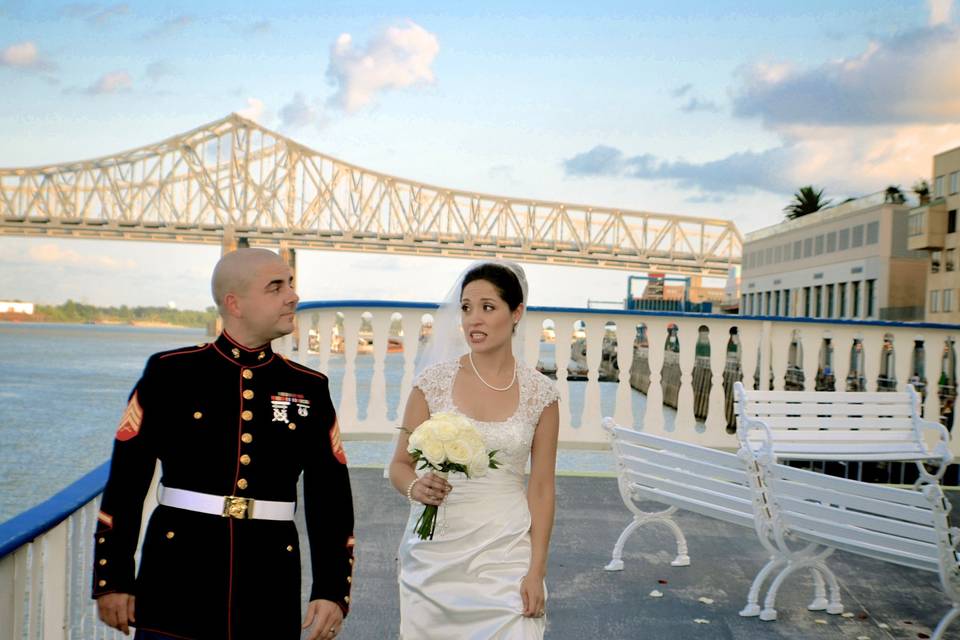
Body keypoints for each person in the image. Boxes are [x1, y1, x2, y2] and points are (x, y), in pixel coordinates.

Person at [92, 248, 355, 640]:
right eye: (276, 287)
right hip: (177, 577)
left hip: (269, 584)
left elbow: (330, 499)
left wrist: (332, 590)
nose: (292, 296)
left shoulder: (308, 387)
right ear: (235, 303)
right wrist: (112, 579)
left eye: (291, 284)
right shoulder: (171, 373)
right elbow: (126, 483)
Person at [388, 260, 560, 639]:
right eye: (466, 308)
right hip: (437, 556)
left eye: (487, 307)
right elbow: (399, 465)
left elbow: (542, 488)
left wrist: (537, 570)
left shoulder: (541, 394)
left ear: (515, 313)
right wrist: (416, 487)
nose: (473, 320)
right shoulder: (432, 383)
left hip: (506, 552)